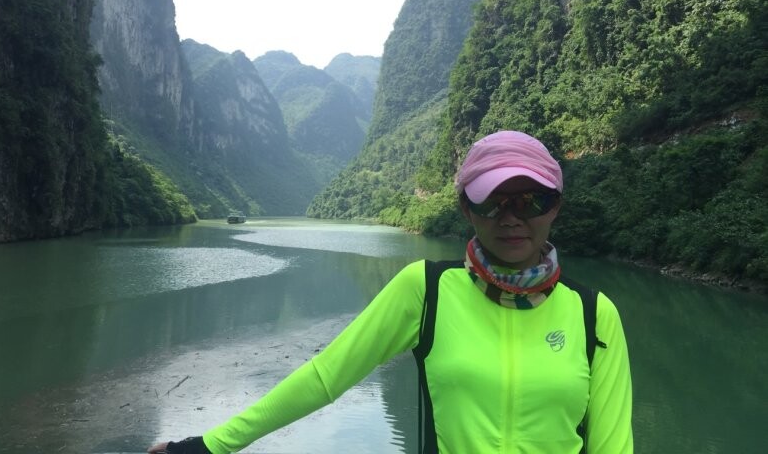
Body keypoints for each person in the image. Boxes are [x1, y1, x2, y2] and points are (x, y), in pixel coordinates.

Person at [149, 130, 633, 453]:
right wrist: (212, 445)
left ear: (555, 207)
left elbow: (613, 446)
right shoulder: (427, 290)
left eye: (531, 200)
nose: (510, 217)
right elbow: (326, 376)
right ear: (466, 209)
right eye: (491, 202)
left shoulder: (593, 315)